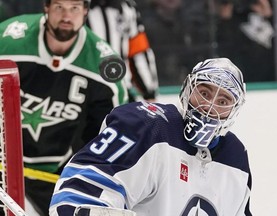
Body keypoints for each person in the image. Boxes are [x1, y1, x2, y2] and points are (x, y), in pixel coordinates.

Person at [49, 57, 253, 215]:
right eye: (205, 93)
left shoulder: (236, 160)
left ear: (234, 111)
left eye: (223, 101)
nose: (209, 106)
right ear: (187, 88)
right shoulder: (147, 126)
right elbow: (82, 192)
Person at [0, 0, 128, 215]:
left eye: (75, 8)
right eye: (59, 7)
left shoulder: (103, 67)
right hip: (3, 169)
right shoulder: (8, 42)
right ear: (46, 8)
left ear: (86, 11)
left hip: (56, 177)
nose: (66, 16)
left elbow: (105, 139)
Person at [87, 0, 158, 102]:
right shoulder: (75, 6)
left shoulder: (126, 7)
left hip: (121, 90)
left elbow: (138, 51)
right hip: (84, 90)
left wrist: (149, 93)